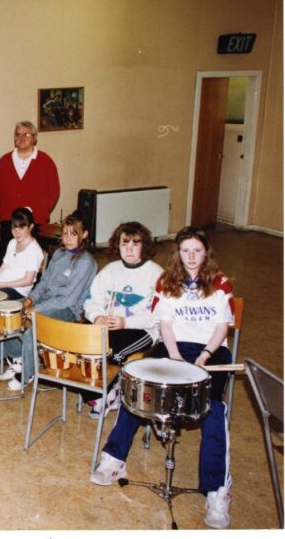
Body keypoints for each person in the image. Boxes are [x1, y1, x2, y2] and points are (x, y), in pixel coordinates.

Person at [91, 227, 234, 530]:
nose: (191, 257)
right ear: (178, 253)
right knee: (137, 387)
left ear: (205, 252)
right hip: (175, 346)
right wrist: (176, 358)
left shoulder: (221, 283)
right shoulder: (167, 282)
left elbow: (222, 327)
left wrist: (204, 357)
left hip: (211, 351)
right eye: (186, 251)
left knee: (213, 409)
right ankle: (114, 458)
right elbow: (165, 324)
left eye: (197, 250)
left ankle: (217, 489)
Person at [0, 211, 96, 390]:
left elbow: (67, 299)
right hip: (47, 301)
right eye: (65, 233)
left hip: (68, 310)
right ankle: (18, 358)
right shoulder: (58, 254)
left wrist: (37, 309)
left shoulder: (85, 261)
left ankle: (27, 373)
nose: (68, 238)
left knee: (33, 329)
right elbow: (44, 282)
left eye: (74, 233)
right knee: (6, 311)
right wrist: (29, 300)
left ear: (85, 234)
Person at [83, 222, 163, 417]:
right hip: (109, 325)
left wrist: (124, 322)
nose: (128, 249)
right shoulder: (110, 270)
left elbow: (156, 316)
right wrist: (97, 317)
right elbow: (92, 301)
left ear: (144, 246)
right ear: (116, 246)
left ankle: (112, 392)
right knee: (86, 350)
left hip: (143, 329)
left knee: (114, 353)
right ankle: (98, 392)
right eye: (124, 243)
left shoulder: (157, 274)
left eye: (134, 244)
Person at [0, 121, 60, 233]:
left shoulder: (46, 161)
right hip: (9, 220)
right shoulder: (4, 161)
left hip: (36, 221)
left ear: (34, 138)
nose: (22, 138)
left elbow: (54, 190)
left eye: (27, 135)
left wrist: (42, 210)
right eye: (18, 134)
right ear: (14, 138)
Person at [0, 207, 44, 301]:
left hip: (18, 291)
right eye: (14, 228)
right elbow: (3, 267)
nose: (17, 232)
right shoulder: (12, 242)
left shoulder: (34, 249)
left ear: (31, 227)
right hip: (2, 284)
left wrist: (2, 285)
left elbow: (28, 281)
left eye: (21, 228)